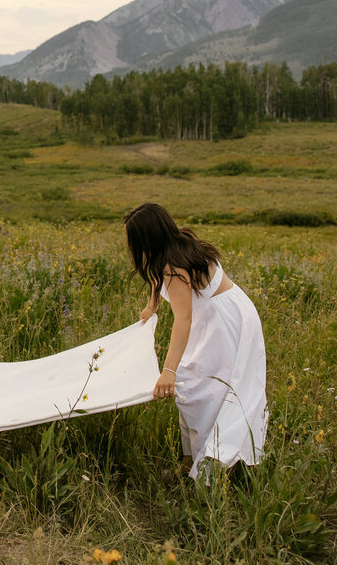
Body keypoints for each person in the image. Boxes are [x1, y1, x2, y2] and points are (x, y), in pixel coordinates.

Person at [126, 202, 267, 480]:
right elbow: (159, 281)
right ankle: (191, 459)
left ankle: (212, 463)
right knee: (194, 385)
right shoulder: (179, 243)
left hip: (223, 324)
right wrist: (152, 304)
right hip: (227, 313)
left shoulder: (173, 266)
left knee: (206, 388)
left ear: (146, 239)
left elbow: (184, 319)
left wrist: (168, 371)